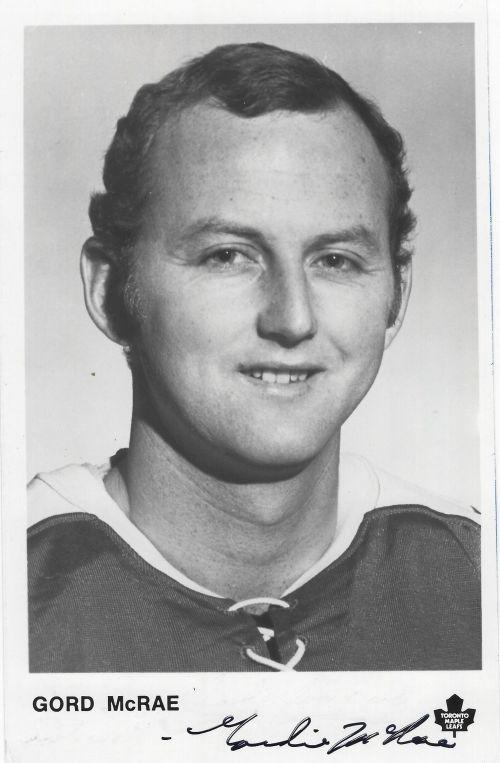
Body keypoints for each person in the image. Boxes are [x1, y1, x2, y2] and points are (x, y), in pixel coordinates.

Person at [28, 42, 480, 672]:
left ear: (396, 297)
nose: (292, 318)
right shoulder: (27, 582)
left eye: (335, 260)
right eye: (228, 256)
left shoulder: (473, 572)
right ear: (110, 293)